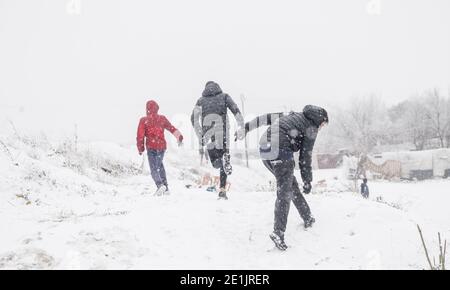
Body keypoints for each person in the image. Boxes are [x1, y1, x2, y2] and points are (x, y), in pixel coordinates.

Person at [242, 105, 328, 250]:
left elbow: (266, 118)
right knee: (284, 191)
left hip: (265, 149)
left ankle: (307, 216)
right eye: (323, 125)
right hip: (280, 150)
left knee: (288, 184)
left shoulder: (290, 115)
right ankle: (278, 232)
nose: (321, 128)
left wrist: (246, 127)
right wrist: (307, 180)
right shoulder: (311, 127)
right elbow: (305, 156)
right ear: (320, 119)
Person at [191, 81, 245, 200]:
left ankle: (219, 161)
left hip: (208, 130)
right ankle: (222, 190)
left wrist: (200, 133)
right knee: (224, 156)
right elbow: (235, 109)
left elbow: (193, 118)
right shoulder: (224, 96)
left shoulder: (200, 101)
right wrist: (241, 124)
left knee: (216, 162)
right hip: (223, 129)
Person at [137, 100, 183, 196]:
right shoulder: (162, 118)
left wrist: (140, 148)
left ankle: (160, 185)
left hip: (151, 147)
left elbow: (140, 135)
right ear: (157, 108)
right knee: (160, 167)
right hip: (161, 147)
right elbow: (171, 128)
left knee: (154, 168)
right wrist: (179, 136)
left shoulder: (143, 120)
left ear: (147, 109)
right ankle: (166, 188)